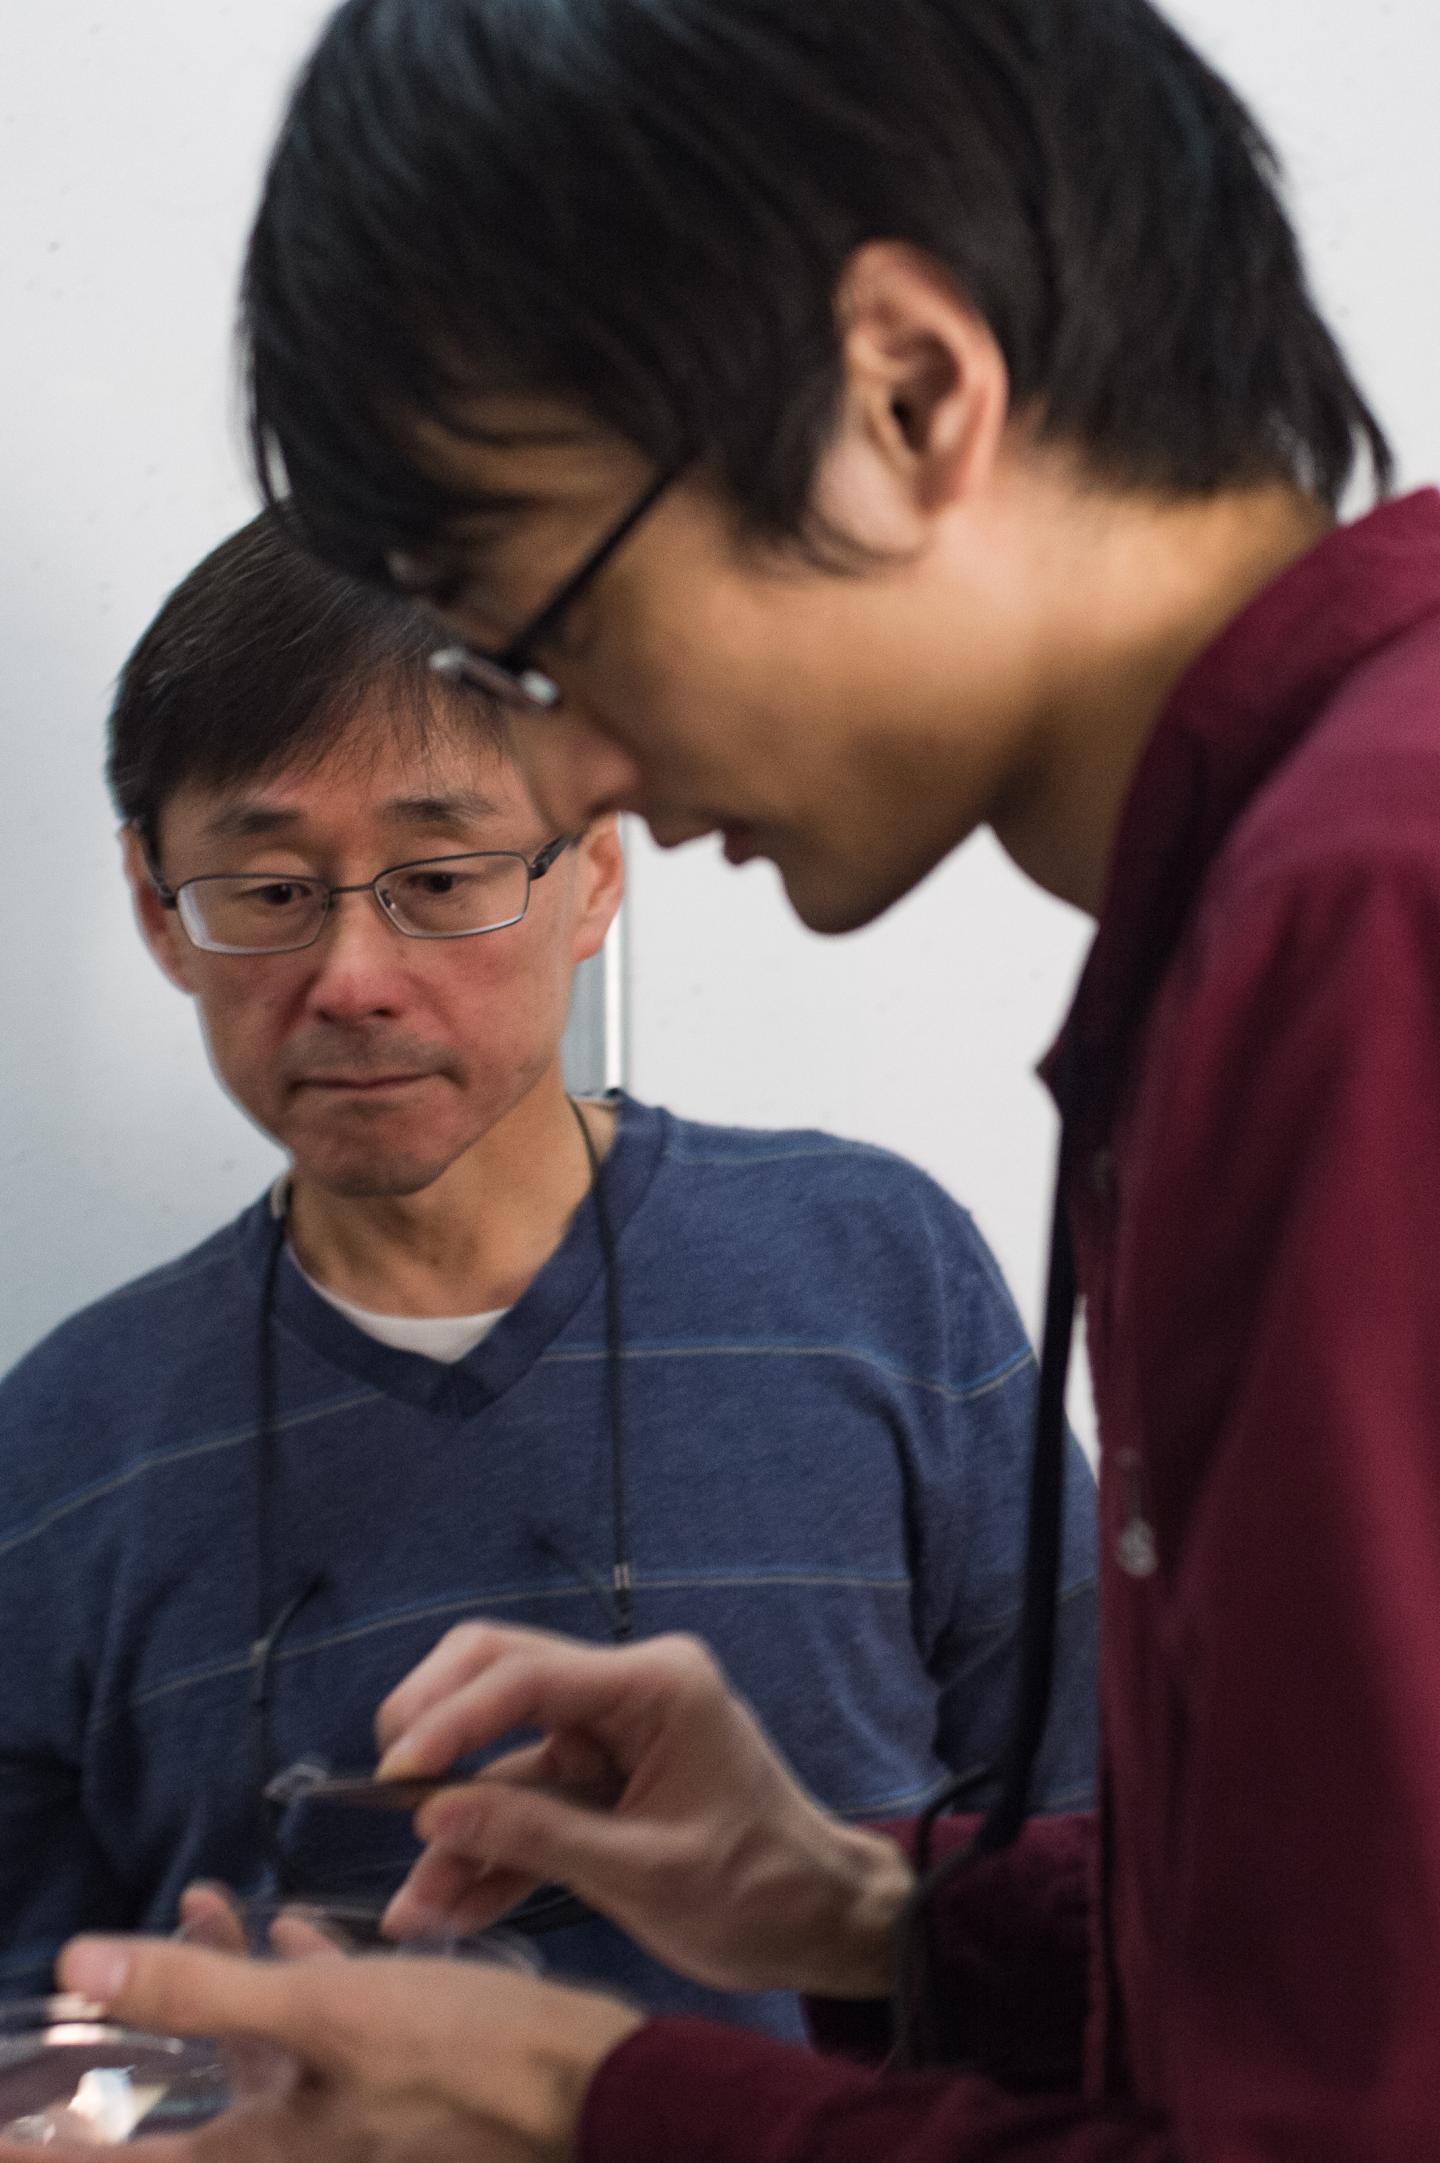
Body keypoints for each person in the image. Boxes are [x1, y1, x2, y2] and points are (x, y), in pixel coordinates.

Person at [8, 0, 1438, 2155]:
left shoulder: (1362, 922)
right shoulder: (1303, 895)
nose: (582, 773)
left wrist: (607, 2107)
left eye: (549, 630)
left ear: (906, 393)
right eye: (269, 891)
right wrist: (872, 1910)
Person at [0, 511, 1098, 2031]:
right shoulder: (58, 1441)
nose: (354, 979)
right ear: (154, 907)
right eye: (267, 893)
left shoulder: (874, 1270)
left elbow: (1113, 1866)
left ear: (592, 874)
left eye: (441, 878)